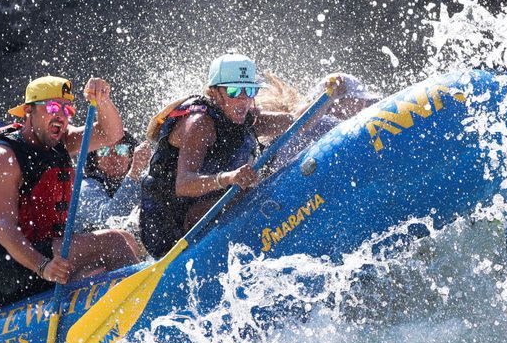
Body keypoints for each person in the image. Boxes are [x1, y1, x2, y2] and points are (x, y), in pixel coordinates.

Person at [138, 57, 369, 256]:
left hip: (205, 207)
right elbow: (184, 184)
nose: (243, 100)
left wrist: (328, 97)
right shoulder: (200, 124)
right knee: (241, 196)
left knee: (253, 192)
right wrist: (229, 178)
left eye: (249, 91)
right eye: (234, 92)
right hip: (167, 224)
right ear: (214, 93)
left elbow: (298, 123)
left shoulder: (248, 117)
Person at [0, 75, 146, 311]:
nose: (61, 115)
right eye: (52, 107)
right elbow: (3, 228)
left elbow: (111, 134)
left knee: (126, 239)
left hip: (47, 255)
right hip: (9, 270)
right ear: (28, 111)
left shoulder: (62, 141)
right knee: (113, 242)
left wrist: (102, 100)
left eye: (66, 109)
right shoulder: (3, 157)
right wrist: (43, 266)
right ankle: (146, 305)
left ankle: (124, 308)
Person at [72, 130, 140, 231]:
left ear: (131, 156)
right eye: (103, 151)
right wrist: (134, 173)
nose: (113, 156)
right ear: (95, 159)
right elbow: (110, 218)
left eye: (121, 149)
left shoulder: (140, 181)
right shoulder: (84, 188)